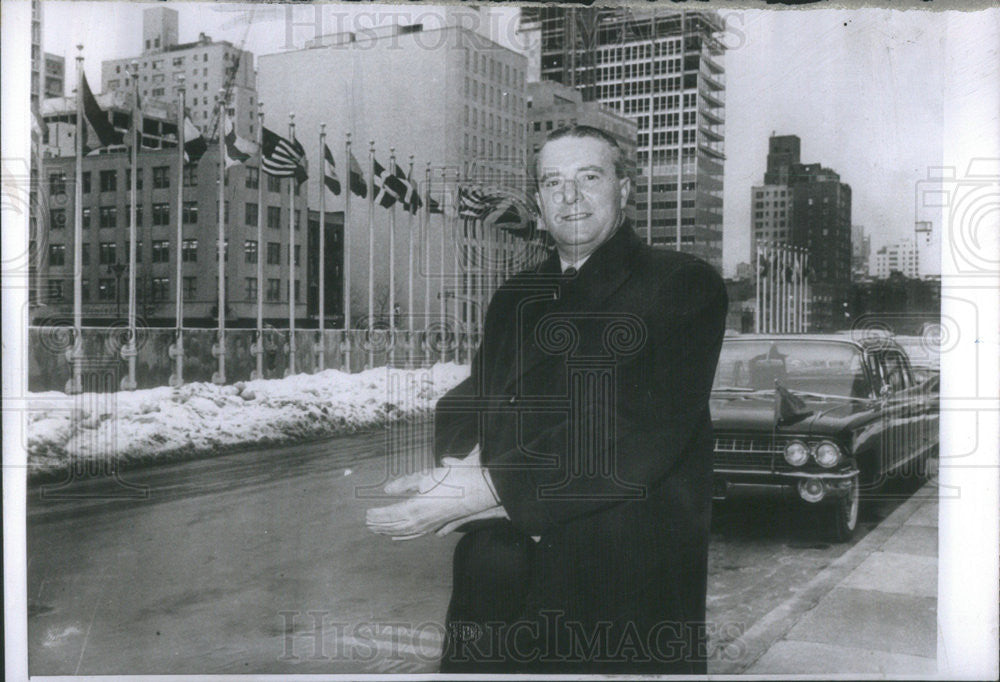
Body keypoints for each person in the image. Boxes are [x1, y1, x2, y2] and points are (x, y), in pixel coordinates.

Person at [367, 125, 728, 673]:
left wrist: (488, 487)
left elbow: (633, 429)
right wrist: (456, 470)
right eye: (552, 182)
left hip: (617, 597)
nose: (569, 196)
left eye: (589, 177)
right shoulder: (517, 294)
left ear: (624, 191)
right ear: (537, 201)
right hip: (497, 586)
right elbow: (470, 401)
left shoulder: (680, 284)